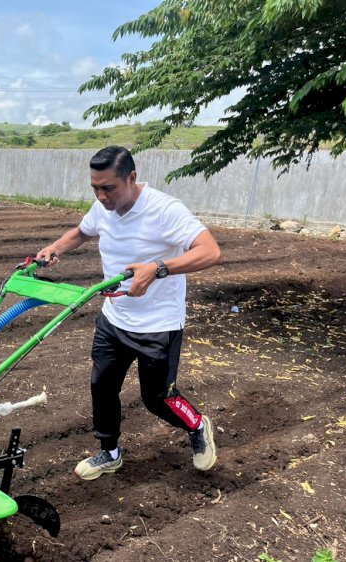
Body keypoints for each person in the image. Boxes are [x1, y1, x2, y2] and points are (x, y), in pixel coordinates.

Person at [36, 146, 222, 481]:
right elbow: (82, 231)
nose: (101, 195)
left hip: (158, 325)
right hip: (115, 318)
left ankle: (196, 423)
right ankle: (109, 452)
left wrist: (158, 269)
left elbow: (210, 251)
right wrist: (55, 248)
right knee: (102, 385)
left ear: (131, 178)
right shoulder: (102, 207)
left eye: (108, 188)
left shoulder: (165, 210)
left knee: (157, 399)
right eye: (95, 188)